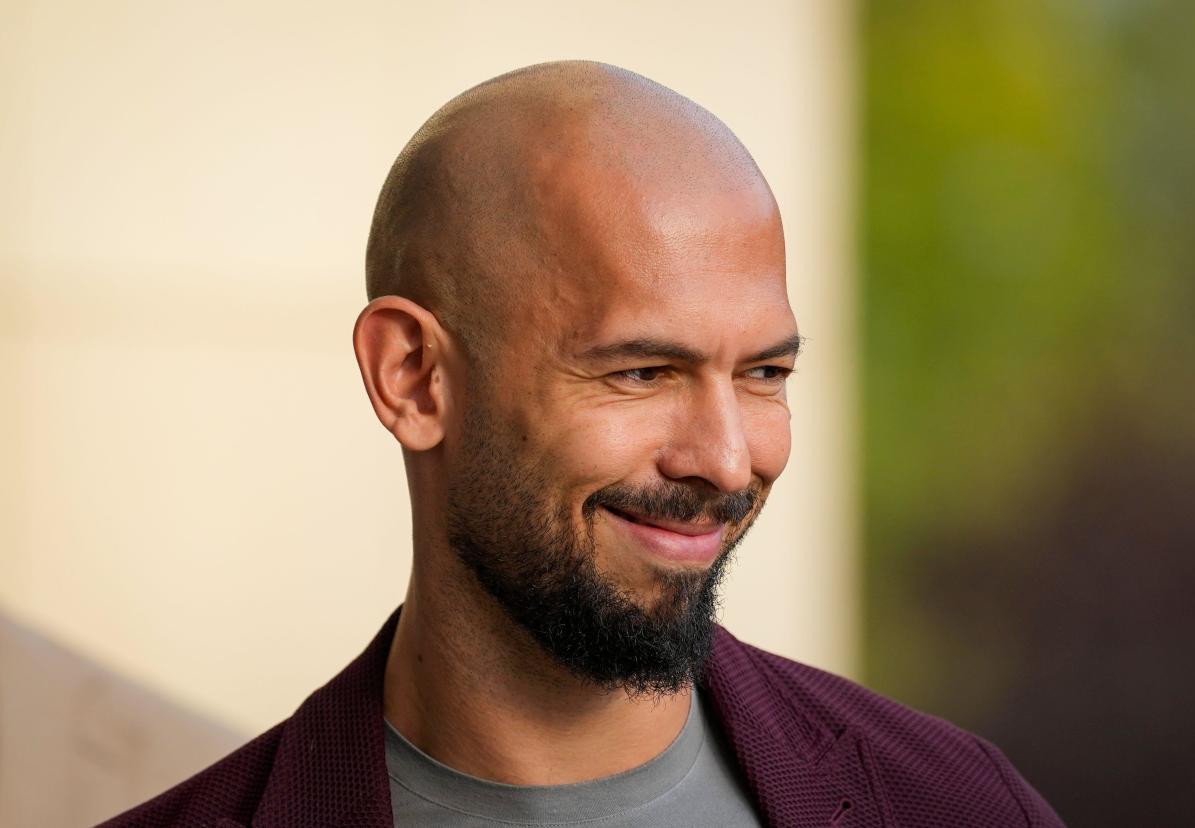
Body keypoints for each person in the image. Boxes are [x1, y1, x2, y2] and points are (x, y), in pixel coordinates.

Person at [101, 61, 1063, 828]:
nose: (728, 462)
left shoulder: (955, 803)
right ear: (414, 378)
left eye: (764, 374)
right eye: (642, 373)